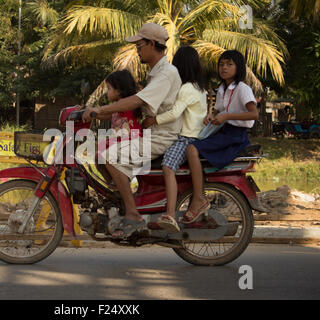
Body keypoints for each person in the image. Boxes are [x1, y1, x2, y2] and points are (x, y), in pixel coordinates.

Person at [83, 23, 182, 239]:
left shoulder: (165, 73)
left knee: (110, 156)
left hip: (160, 137)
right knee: (99, 154)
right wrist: (94, 113)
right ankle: (121, 197)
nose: (137, 49)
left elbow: (136, 101)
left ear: (153, 44)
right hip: (151, 133)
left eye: (140, 45)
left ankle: (132, 213)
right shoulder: (155, 73)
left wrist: (98, 109)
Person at [182, 50, 259, 224]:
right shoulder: (223, 88)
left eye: (229, 64)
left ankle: (199, 198)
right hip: (223, 131)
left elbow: (254, 114)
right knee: (190, 147)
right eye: (221, 64)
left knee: (192, 149)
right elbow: (219, 109)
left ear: (238, 67)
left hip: (235, 136)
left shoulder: (242, 88)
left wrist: (227, 116)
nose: (224, 68)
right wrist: (211, 114)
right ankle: (198, 194)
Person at [143, 46, 207, 232]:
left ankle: (170, 214)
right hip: (194, 137)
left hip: (185, 138)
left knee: (168, 167)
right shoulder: (200, 89)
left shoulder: (186, 88)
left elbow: (174, 113)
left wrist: (153, 120)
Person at [94, 70, 143, 185]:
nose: (107, 92)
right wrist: (88, 112)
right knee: (98, 157)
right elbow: (106, 115)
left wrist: (95, 111)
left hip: (129, 142)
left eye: (109, 88)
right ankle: (113, 184)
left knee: (102, 156)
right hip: (120, 141)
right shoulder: (118, 106)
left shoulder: (123, 104)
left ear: (119, 90)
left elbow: (107, 113)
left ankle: (118, 185)